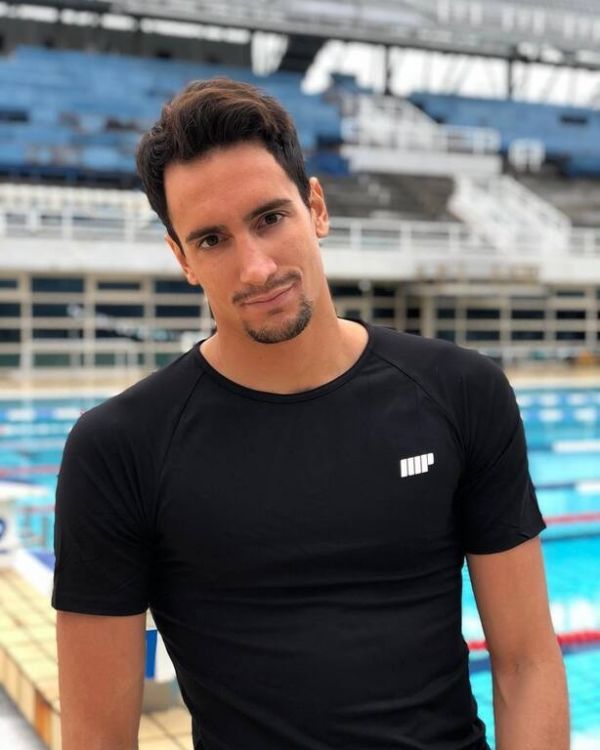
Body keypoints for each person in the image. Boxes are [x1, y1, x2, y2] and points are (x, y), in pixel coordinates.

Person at [53, 78, 569, 750]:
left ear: (316, 208)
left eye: (270, 218)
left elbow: (527, 663)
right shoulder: (120, 449)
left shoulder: (462, 393)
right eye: (212, 240)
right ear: (181, 258)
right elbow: (97, 740)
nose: (256, 268)